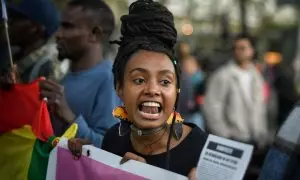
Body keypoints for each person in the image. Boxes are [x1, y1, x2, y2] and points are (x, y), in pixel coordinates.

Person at [68, 0, 207, 177]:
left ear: (177, 90)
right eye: (139, 80)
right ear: (119, 88)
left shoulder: (203, 152)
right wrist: (91, 163)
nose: (152, 90)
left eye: (165, 82)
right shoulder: (113, 141)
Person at [40, 0, 119, 148]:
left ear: (95, 34)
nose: (58, 34)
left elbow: (109, 148)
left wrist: (69, 117)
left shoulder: (110, 79)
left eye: (68, 26)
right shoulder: (66, 78)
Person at [0, 0, 60, 84]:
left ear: (37, 30)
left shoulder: (46, 67)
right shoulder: (14, 57)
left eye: (16, 18)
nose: (8, 22)